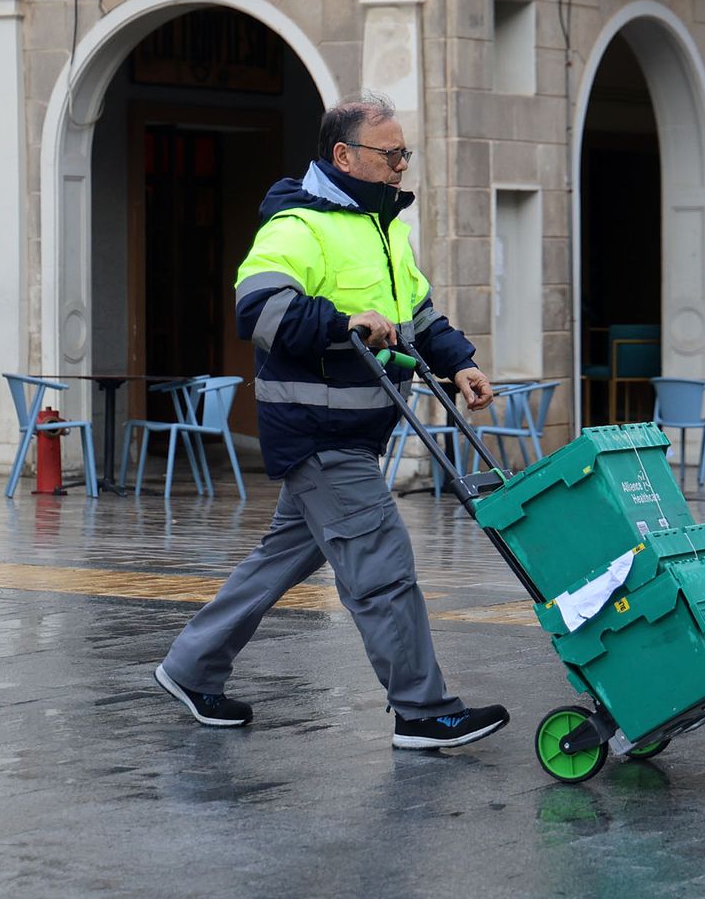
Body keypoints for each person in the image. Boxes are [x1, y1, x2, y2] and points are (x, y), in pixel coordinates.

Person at [154, 91, 509, 752]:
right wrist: (345, 323)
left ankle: (190, 665)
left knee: (281, 557)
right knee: (382, 562)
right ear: (345, 155)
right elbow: (257, 310)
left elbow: (418, 313)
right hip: (319, 434)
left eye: (406, 154)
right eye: (390, 154)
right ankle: (421, 710)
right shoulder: (296, 225)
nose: (402, 166)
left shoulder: (382, 228)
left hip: (353, 433)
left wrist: (458, 363)